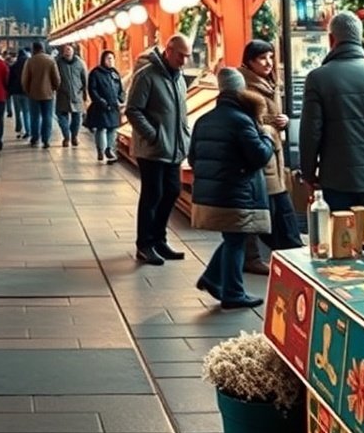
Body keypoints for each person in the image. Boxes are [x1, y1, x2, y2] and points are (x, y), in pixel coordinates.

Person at [299, 10, 364, 212]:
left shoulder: (318, 78)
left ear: (332, 39)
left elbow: (310, 133)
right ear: (359, 38)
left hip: (337, 178)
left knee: (343, 239)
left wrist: (308, 174)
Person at [191, 68, 274, 310]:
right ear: (240, 90)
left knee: (232, 237)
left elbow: (193, 157)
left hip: (213, 192)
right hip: (237, 192)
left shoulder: (204, 119)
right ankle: (233, 294)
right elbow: (259, 156)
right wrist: (267, 137)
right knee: (237, 239)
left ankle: (213, 278)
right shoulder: (241, 120)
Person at [126, 33, 192, 264]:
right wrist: (153, 135)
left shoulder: (179, 77)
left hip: (173, 148)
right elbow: (133, 109)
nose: (184, 61)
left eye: (188, 56)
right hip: (153, 149)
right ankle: (144, 244)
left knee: (172, 191)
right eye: (181, 55)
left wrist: (184, 137)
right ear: (168, 50)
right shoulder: (147, 76)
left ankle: (159, 239)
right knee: (152, 195)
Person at [239, 40, 303, 264]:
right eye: (262, 58)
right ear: (249, 61)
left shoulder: (269, 83)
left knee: (276, 209)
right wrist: (271, 123)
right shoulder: (245, 87)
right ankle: (286, 252)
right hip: (261, 157)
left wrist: (283, 121)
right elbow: (247, 122)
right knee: (270, 210)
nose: (268, 63)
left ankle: (287, 251)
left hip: (273, 155)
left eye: (270, 57)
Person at [85, 49, 124, 163]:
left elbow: (120, 89)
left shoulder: (115, 73)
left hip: (113, 106)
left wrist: (120, 99)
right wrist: (100, 101)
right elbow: (92, 90)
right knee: (101, 129)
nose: (111, 61)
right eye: (108, 59)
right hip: (101, 106)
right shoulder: (96, 73)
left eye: (112, 59)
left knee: (112, 129)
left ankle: (109, 149)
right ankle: (100, 150)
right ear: (103, 59)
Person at [21, 40, 60, 148]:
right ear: (42, 48)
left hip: (33, 94)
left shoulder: (30, 61)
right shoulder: (50, 60)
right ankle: (46, 139)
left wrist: (27, 90)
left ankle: (35, 138)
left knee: (34, 117)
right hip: (48, 94)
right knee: (47, 117)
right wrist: (54, 89)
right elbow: (57, 78)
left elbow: (25, 79)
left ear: (34, 49)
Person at [55, 43, 88, 148]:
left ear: (73, 51)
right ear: (63, 52)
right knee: (61, 117)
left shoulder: (80, 63)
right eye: (66, 50)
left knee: (77, 118)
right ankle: (66, 137)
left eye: (69, 50)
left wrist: (85, 94)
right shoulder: (58, 63)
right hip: (62, 94)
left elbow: (85, 78)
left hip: (77, 94)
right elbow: (54, 77)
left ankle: (74, 136)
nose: (68, 52)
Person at [8, 46, 30, 139]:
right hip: (26, 92)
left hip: (16, 92)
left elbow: (10, 79)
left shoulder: (14, 66)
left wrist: (9, 91)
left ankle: (19, 128)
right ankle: (28, 130)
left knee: (17, 112)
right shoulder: (29, 65)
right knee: (26, 112)